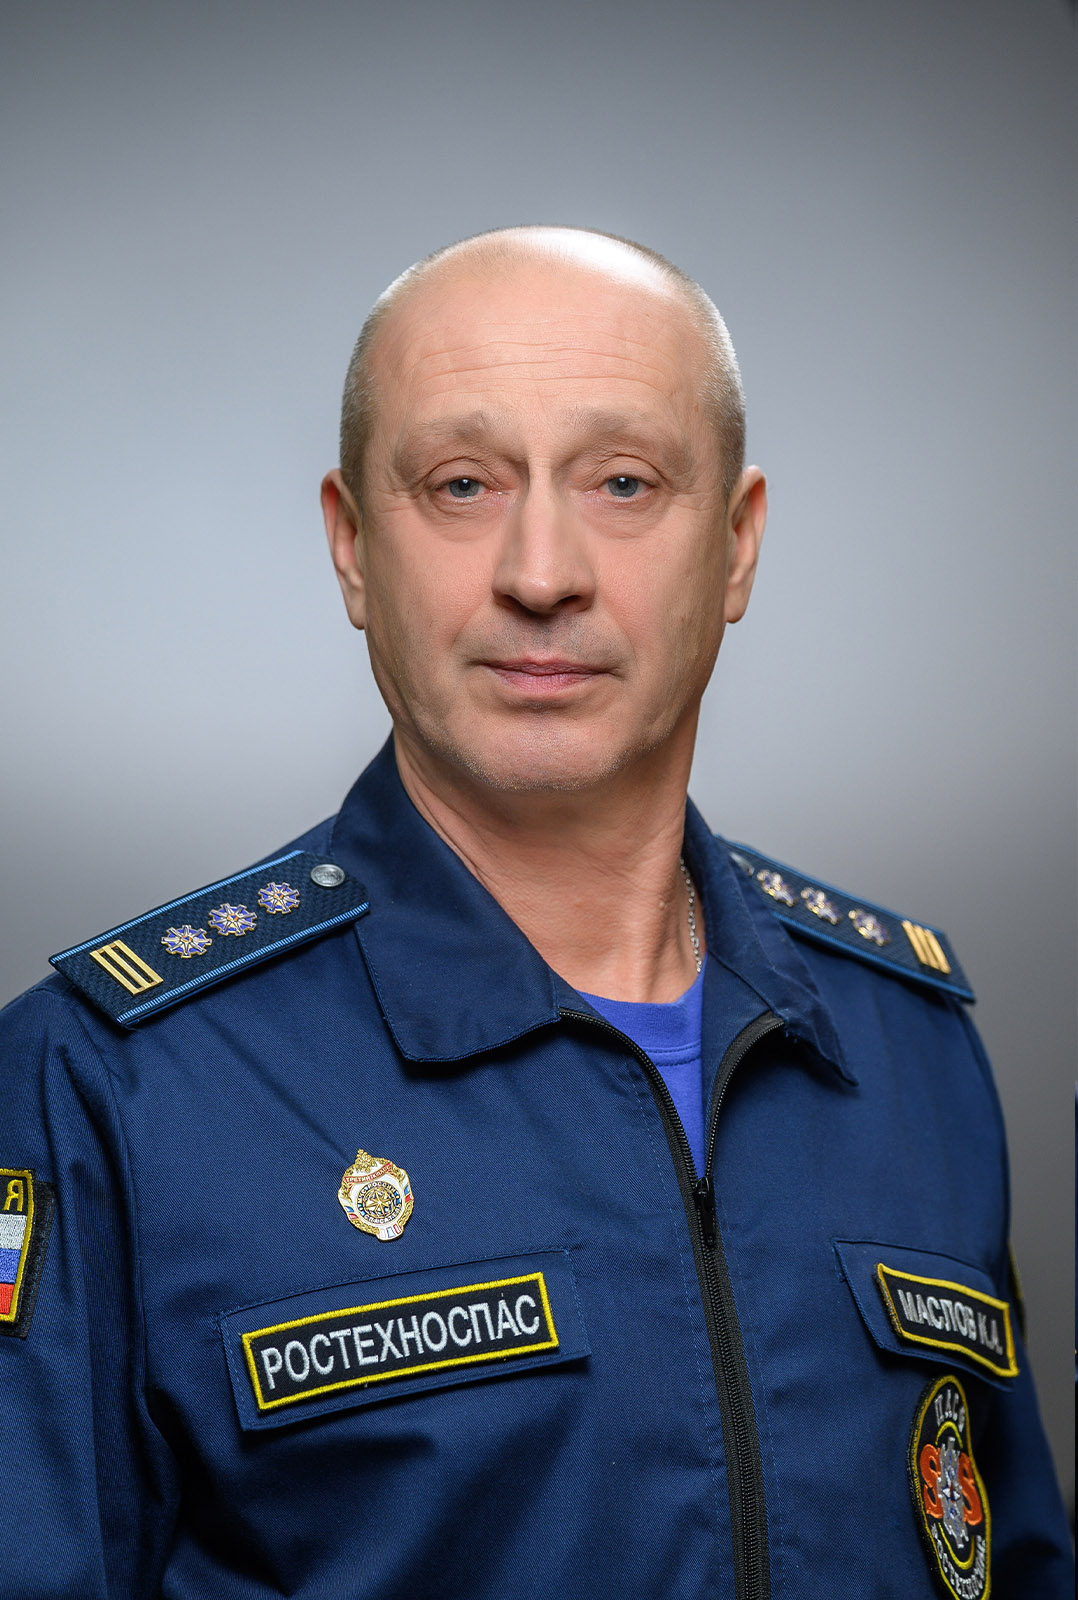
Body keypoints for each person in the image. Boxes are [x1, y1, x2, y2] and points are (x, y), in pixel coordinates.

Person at [0, 226, 1070, 1600]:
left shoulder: (909, 1043)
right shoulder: (106, 1086)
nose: (543, 571)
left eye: (624, 482)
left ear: (736, 546)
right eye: (462, 485)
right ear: (351, 548)